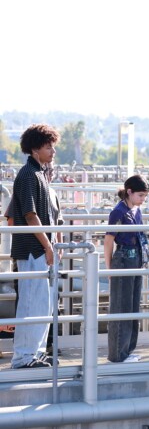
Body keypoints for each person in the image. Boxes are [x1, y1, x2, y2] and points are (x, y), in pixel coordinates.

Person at [9, 123, 59, 369]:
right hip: (31, 248)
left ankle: (35, 352)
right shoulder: (28, 174)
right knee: (31, 303)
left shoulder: (39, 173)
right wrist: (48, 245)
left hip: (39, 248)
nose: (52, 151)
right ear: (35, 149)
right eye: (48, 146)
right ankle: (23, 357)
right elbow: (30, 214)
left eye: (53, 146)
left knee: (42, 304)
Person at [104, 175, 149, 363]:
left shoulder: (135, 209)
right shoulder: (118, 212)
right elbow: (108, 242)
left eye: (145, 196)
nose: (143, 199)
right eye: (140, 195)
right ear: (129, 192)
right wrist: (109, 270)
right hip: (123, 258)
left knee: (132, 306)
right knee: (121, 307)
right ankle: (117, 354)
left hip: (136, 257)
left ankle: (128, 349)